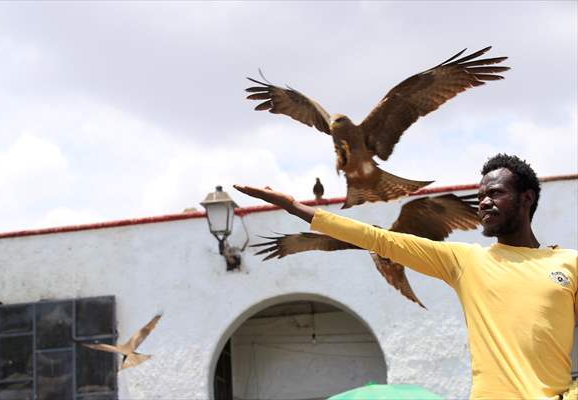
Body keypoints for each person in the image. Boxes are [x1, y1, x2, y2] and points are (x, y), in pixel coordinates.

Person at [234, 153, 578, 399]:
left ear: (526, 198)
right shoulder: (465, 261)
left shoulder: (568, 264)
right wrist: (296, 207)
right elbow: (380, 238)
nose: (484, 202)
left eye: (496, 193)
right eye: (480, 195)